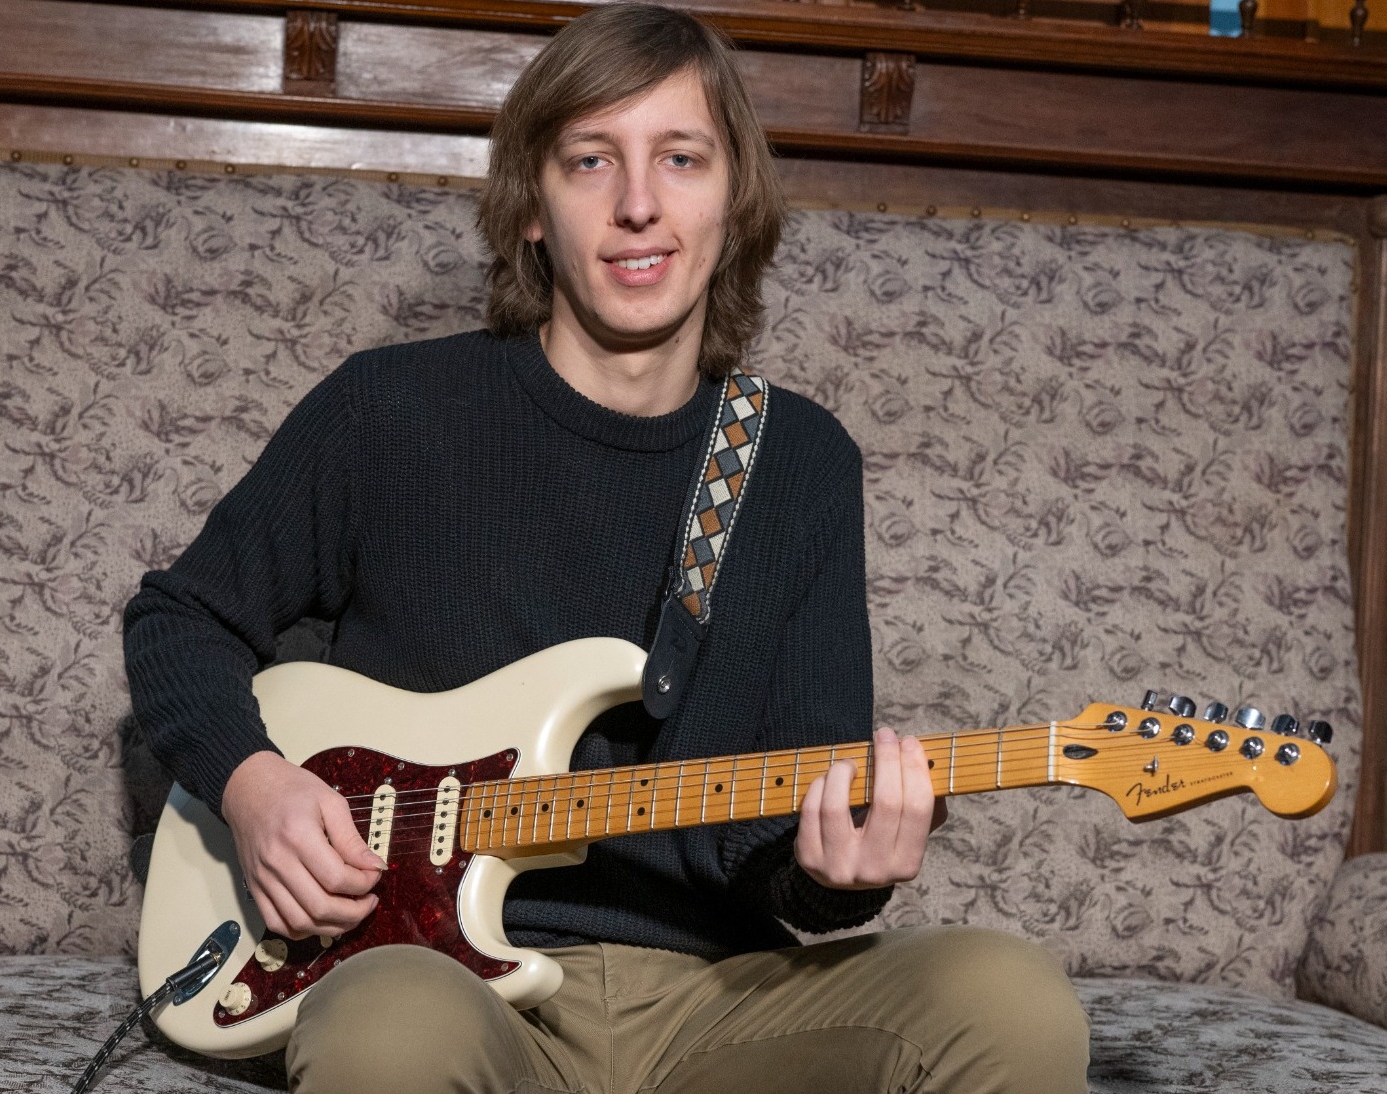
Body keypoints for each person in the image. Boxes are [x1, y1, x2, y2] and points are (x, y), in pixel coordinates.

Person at [123, 5, 1090, 1091]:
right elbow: (179, 618)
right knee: (388, 1025)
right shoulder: (388, 412)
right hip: (447, 989)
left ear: (734, 197)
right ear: (532, 207)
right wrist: (254, 787)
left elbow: (782, 848)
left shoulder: (801, 461)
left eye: (682, 158)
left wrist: (840, 874)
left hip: (719, 1006)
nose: (639, 204)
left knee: (1009, 998)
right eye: (591, 160)